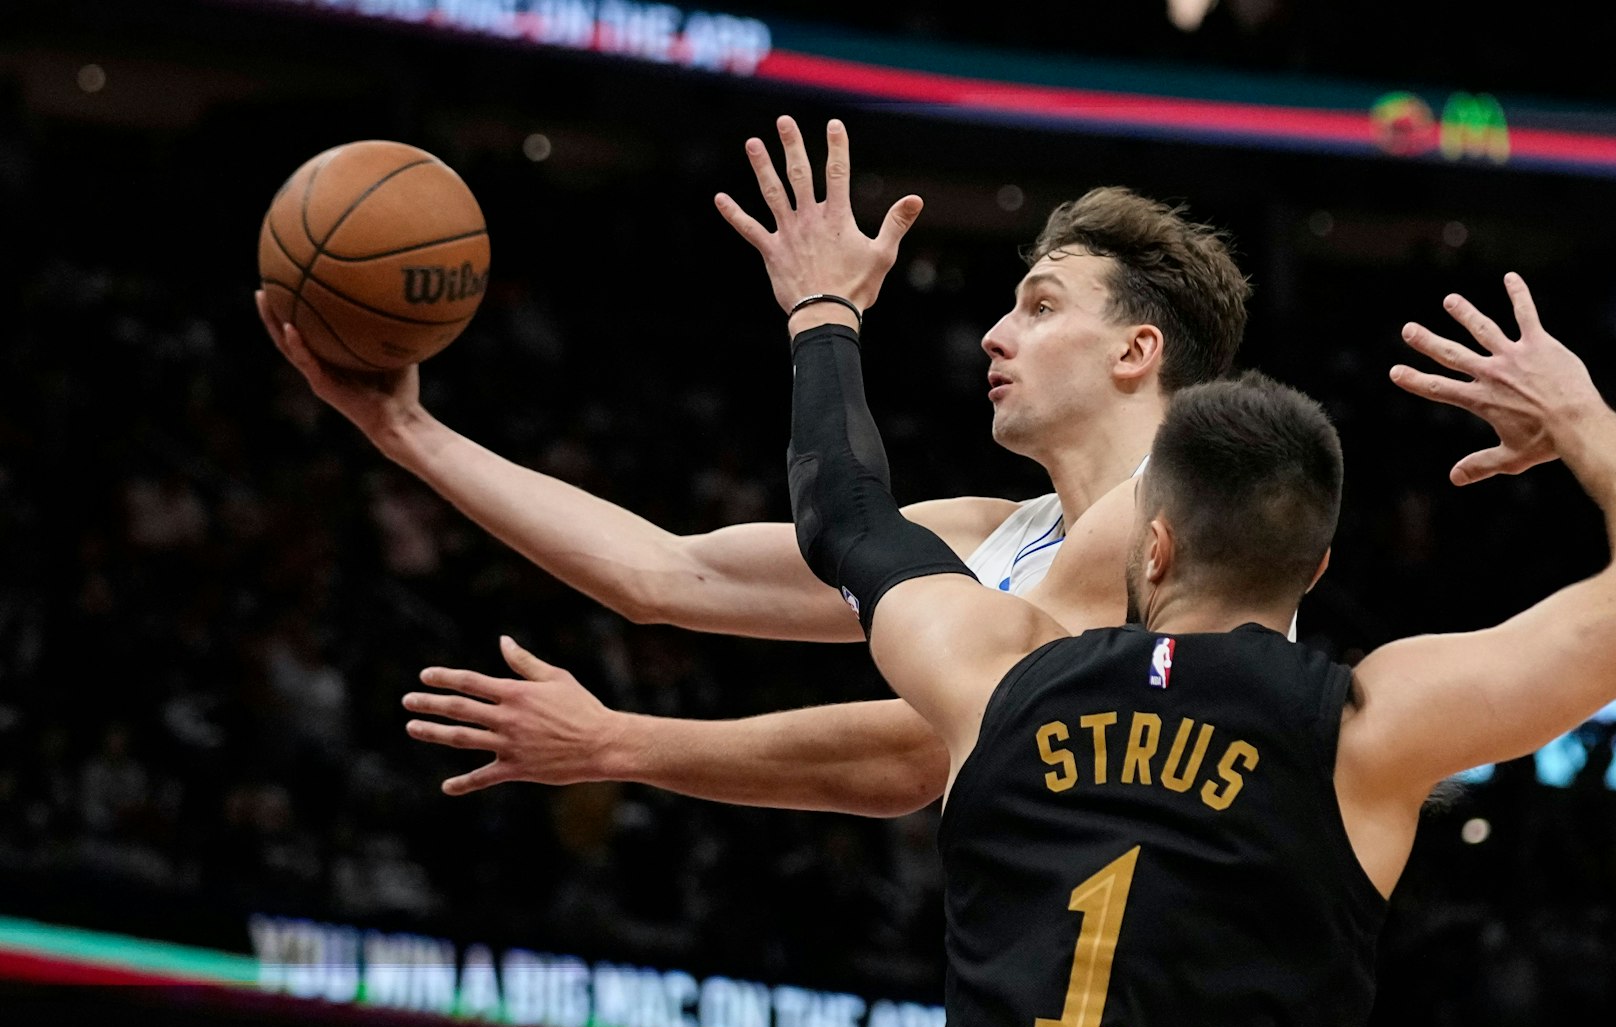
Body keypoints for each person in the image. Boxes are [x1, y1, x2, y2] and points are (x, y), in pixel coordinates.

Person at [738, 121, 1616, 1027]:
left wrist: (822, 312)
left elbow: (841, 510)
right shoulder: (1363, 729)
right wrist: (1574, 416)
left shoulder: (997, 673)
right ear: (1313, 564)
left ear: (1151, 545)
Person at [253, 116, 1249, 819]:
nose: (993, 336)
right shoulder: (996, 536)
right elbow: (668, 573)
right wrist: (406, 432)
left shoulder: (1186, 520)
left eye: (1039, 306)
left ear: (1135, 351)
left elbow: (922, 746)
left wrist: (621, 742)